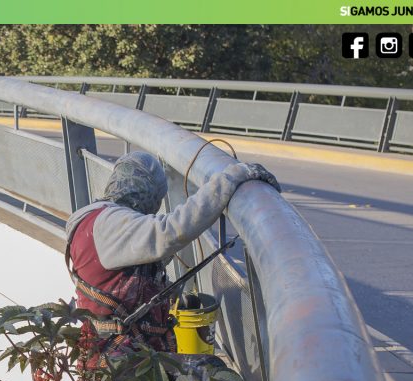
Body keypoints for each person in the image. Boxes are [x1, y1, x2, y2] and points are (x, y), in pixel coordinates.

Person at [65, 151, 279, 365]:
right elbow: (171, 230)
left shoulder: (93, 221)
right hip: (121, 361)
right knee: (209, 373)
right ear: (144, 189)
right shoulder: (110, 224)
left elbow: (122, 278)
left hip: (117, 354)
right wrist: (233, 177)